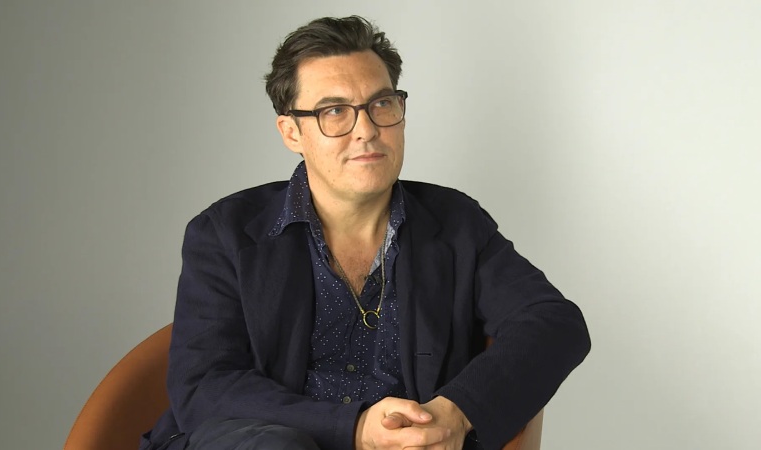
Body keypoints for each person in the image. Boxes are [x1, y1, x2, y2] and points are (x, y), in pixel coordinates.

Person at [140, 15, 590, 450]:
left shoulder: (456, 224)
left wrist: (456, 411)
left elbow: (553, 322)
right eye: (335, 111)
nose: (367, 130)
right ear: (292, 132)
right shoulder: (225, 233)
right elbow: (203, 386)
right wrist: (354, 429)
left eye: (381, 104)